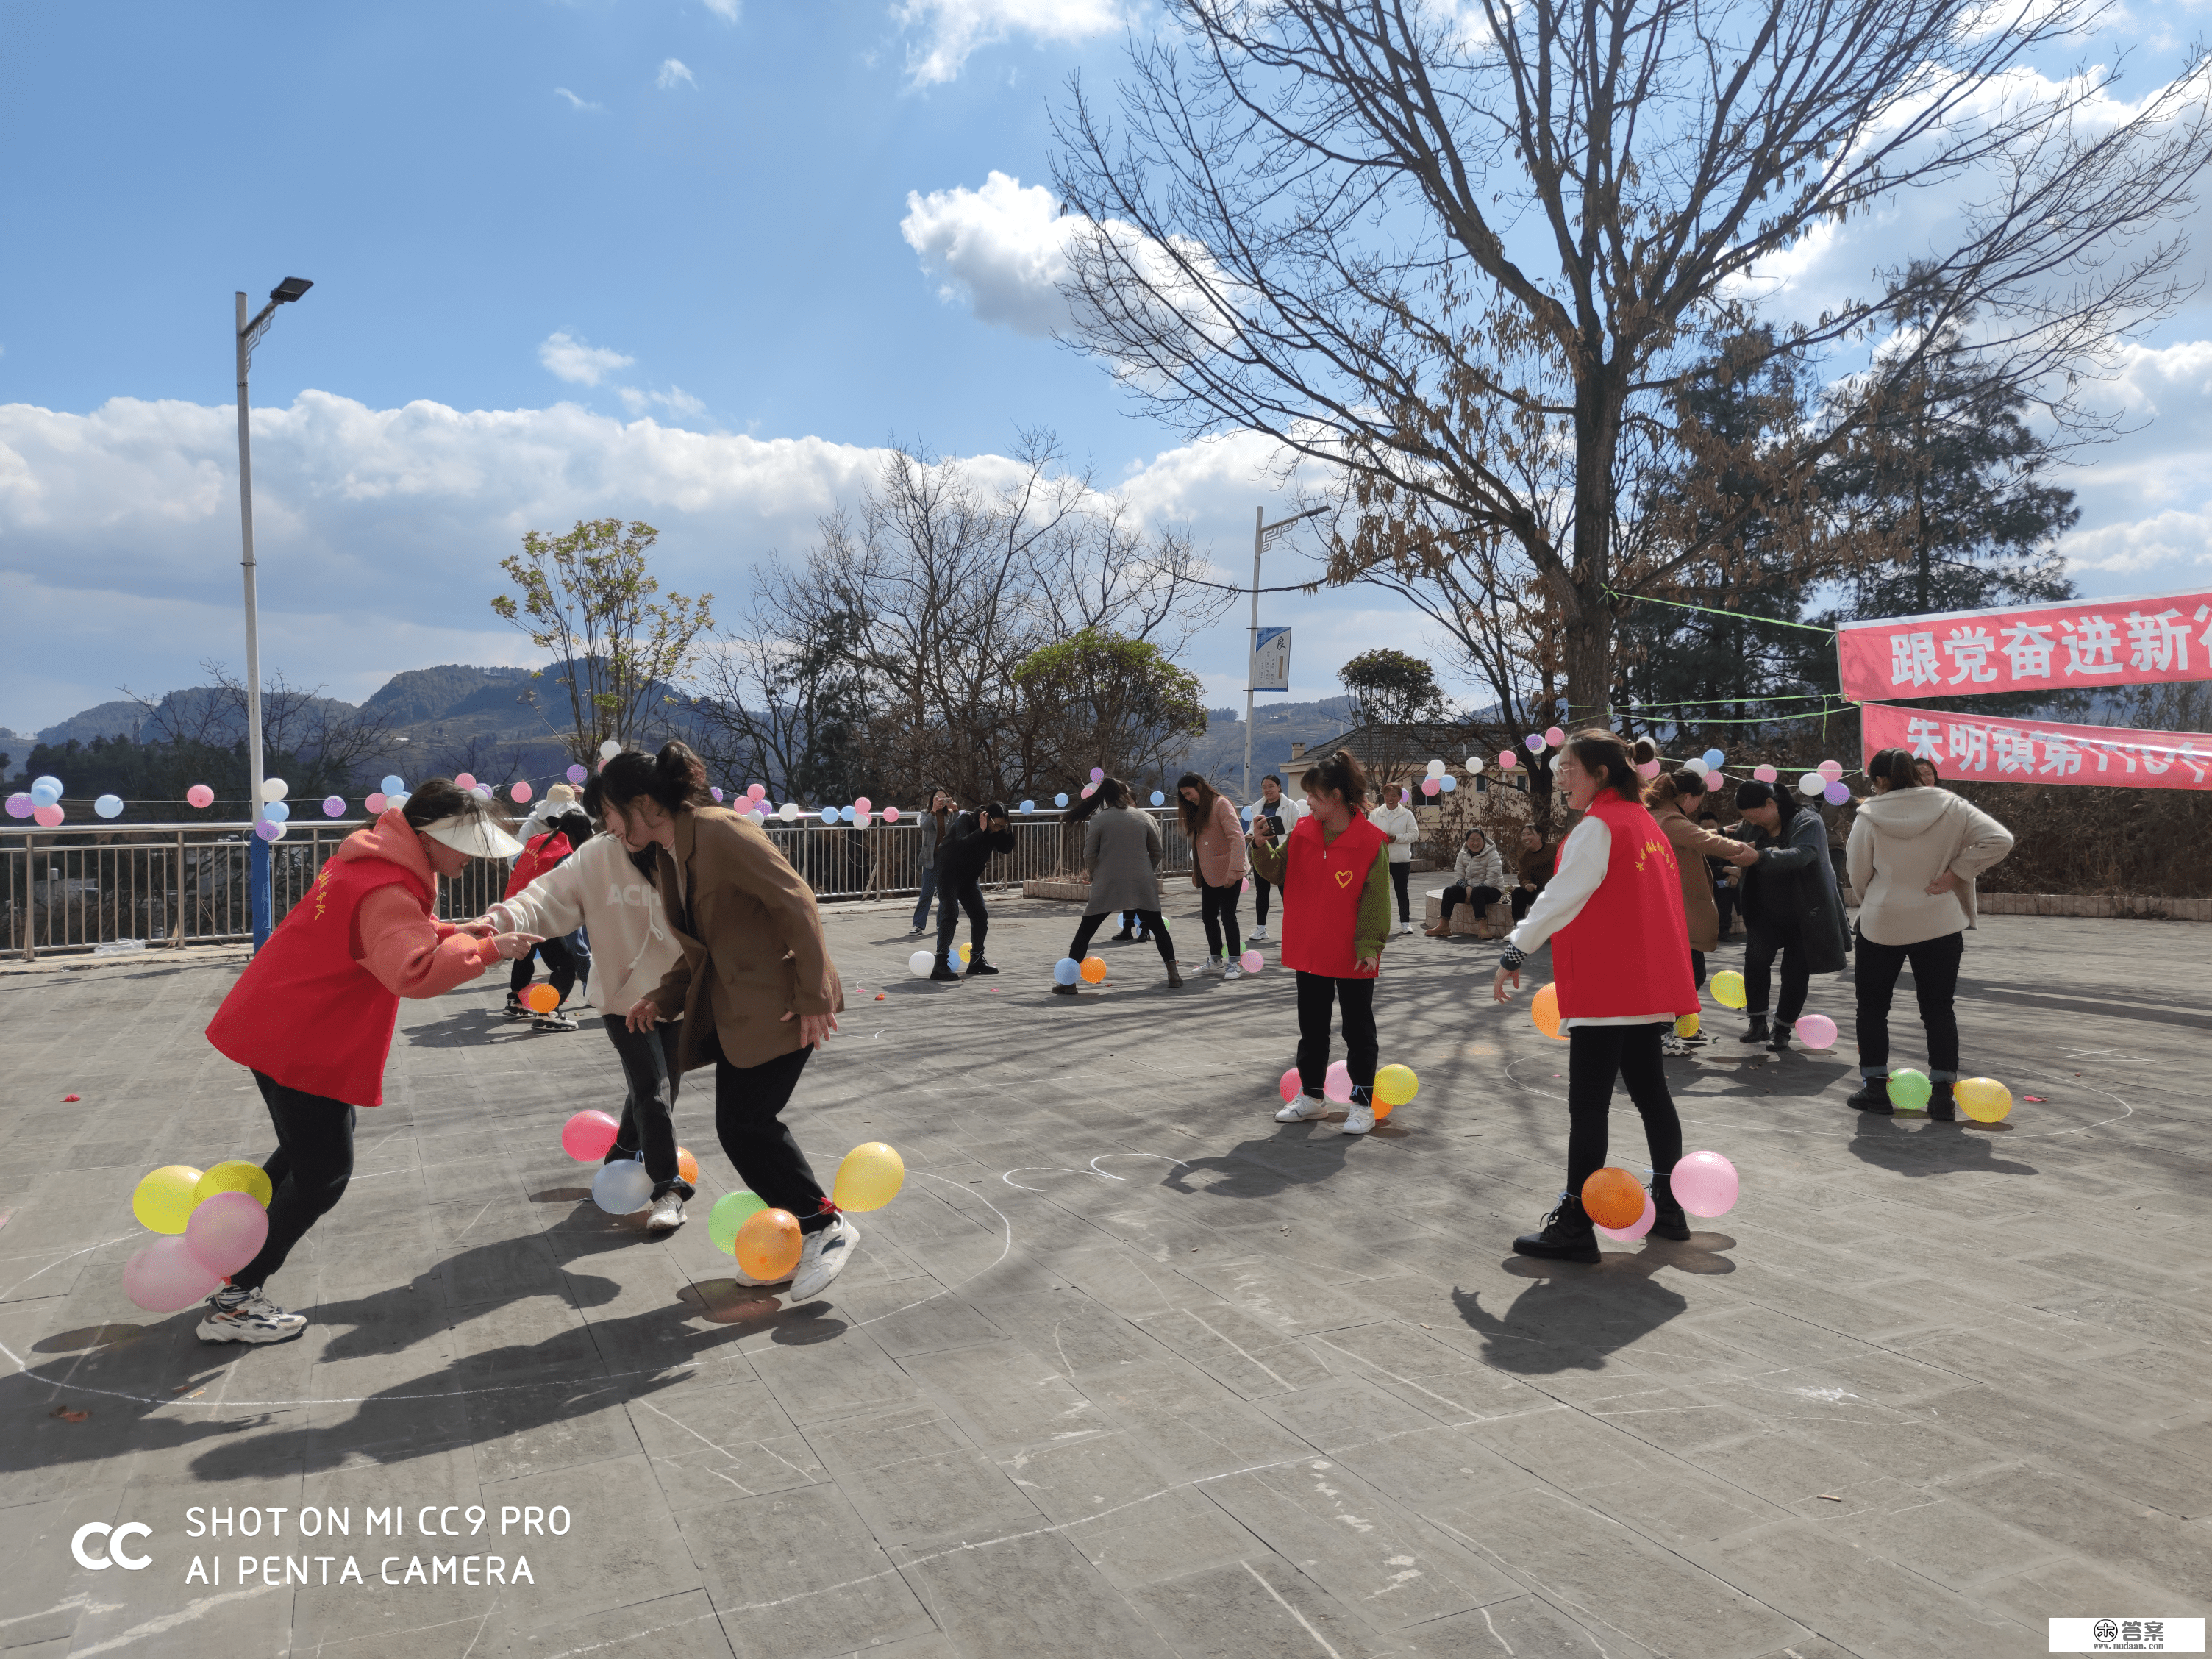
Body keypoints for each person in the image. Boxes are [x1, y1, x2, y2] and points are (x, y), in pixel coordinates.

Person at [199, 782, 540, 1341]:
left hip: (282, 1025)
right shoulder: (387, 887)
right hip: (300, 1038)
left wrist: (459, 931)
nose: (470, 858)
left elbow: (399, 933)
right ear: (430, 838)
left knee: (304, 1153)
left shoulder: (372, 863)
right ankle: (235, 1299)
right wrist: (486, 949)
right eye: (465, 846)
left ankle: (228, 1248)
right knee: (322, 1173)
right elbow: (413, 971)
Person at [606, 741, 858, 1302]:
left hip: (785, 1000)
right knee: (740, 1125)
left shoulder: (721, 831)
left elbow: (796, 901)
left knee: (748, 1123)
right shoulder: (673, 852)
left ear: (644, 804)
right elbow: (705, 943)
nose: (608, 826)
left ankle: (824, 1226)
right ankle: (798, 1240)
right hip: (745, 1007)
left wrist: (815, 995)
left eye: (610, 812)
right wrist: (664, 996)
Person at [1491, 733, 1700, 1262]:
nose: (1561, 778)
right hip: (1644, 987)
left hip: (1609, 988)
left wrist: (1516, 949)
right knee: (1652, 1095)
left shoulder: (1600, 827)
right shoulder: (1645, 823)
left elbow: (1561, 895)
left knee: (1588, 1106)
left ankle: (1576, 1222)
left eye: (1570, 769)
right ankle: (1670, 1207)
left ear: (1601, 774)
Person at [482, 780, 691, 1230]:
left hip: (678, 994)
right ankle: (669, 1190)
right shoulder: (598, 854)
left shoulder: (686, 849)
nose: (606, 827)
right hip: (621, 997)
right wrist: (496, 922)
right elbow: (546, 895)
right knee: (652, 1089)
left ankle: (619, 1153)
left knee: (660, 1087)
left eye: (610, 814)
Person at [1844, 747, 2013, 1117]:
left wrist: (1873, 899)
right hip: (1939, 921)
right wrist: (1957, 872)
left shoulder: (1869, 814)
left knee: (1872, 1009)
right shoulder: (1952, 805)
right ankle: (1942, 1096)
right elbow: (2001, 840)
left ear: (1878, 780)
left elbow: (1857, 871)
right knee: (1939, 1010)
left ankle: (1875, 1088)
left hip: (1882, 922)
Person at [1245, 750, 1393, 1136]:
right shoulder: (1303, 833)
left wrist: (1369, 945)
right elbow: (1276, 870)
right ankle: (1311, 1098)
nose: (1307, 802)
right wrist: (1259, 846)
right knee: (1312, 1027)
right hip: (1308, 947)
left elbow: (1376, 900)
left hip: (1352, 954)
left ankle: (1362, 1104)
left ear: (1337, 797)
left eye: (1314, 796)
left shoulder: (1370, 842)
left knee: (1358, 1031)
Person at [1731, 778, 1850, 1051]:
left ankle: (1782, 1029)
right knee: (1755, 962)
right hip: (1764, 912)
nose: (1753, 823)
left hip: (1803, 911)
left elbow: (1805, 853)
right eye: (1747, 819)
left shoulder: (1806, 820)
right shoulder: (1753, 825)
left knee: (1795, 972)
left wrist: (1760, 857)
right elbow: (1735, 841)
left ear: (1771, 804)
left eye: (1755, 816)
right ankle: (1757, 1022)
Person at [1646, 771, 1759, 1054]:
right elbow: (1704, 842)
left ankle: (1681, 1026)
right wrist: (1746, 851)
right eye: (1699, 798)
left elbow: (1695, 836)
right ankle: (1659, 1033)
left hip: (1668, 910)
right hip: (1677, 912)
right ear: (1688, 797)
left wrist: (1721, 832)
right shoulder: (1671, 820)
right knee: (1688, 976)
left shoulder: (1660, 816)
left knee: (1685, 973)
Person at [1053, 777, 1182, 992]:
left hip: (1108, 881)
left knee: (1085, 931)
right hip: (1141, 881)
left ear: (1104, 798)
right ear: (1125, 794)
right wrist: (1144, 870)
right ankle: (1173, 974)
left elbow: (1089, 855)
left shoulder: (1099, 820)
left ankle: (1069, 982)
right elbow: (1157, 852)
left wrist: (1097, 875)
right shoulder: (1146, 817)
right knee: (1158, 928)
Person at [502, 807, 593, 1032]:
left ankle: (517, 1001)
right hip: (539, 913)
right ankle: (548, 1013)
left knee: (525, 954)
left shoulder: (539, 840)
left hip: (517, 908)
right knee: (564, 965)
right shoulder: (565, 852)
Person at [930, 800, 1016, 981]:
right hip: (948, 872)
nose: (998, 829)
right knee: (950, 914)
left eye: (1003, 826)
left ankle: (976, 960)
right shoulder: (966, 820)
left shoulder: (997, 829)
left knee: (980, 916)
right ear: (986, 817)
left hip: (968, 877)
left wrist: (1008, 830)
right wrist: (982, 830)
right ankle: (940, 964)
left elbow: (1005, 848)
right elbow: (962, 845)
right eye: (997, 825)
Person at [1178, 772, 1249, 979]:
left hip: (1228, 871)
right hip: (1209, 873)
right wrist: (1197, 872)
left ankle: (1234, 962)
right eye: (1184, 796)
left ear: (1199, 786)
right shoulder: (1198, 808)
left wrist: (1235, 870)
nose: (1188, 798)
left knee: (1228, 917)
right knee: (1208, 916)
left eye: (1189, 793)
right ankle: (1216, 959)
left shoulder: (1221, 804)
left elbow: (1237, 837)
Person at [1427, 828, 1506, 937]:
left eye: (1478, 840)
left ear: (1484, 841)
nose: (1475, 843)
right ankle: (1443, 926)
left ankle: (1483, 929)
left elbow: (1492, 881)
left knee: (1478, 892)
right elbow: (1458, 876)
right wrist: (1467, 888)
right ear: (1467, 841)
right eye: (1472, 840)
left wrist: (1472, 892)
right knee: (1449, 891)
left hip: (1492, 890)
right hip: (1470, 889)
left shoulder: (1493, 854)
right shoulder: (1463, 853)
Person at [1371, 782, 1421, 935]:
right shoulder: (1375, 814)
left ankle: (1405, 923)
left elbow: (1414, 834)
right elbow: (1368, 833)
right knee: (1378, 893)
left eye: (1394, 796)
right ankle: (1377, 924)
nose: (1390, 799)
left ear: (1400, 797)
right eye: (1387, 796)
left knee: (1401, 892)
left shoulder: (1407, 814)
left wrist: (1396, 838)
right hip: (1381, 859)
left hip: (1401, 859)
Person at [1248, 774, 1289, 943]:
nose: (1267, 790)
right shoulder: (1258, 807)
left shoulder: (1290, 806)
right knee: (1261, 891)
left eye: (1271, 786)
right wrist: (1250, 835)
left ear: (1279, 787)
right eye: (1264, 787)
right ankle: (1261, 928)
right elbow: (1253, 829)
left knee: (1286, 893)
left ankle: (1291, 927)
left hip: (1282, 855)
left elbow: (1298, 827)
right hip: (1263, 854)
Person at [909, 788, 955, 938]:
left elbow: (960, 829)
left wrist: (956, 810)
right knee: (926, 893)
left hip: (948, 859)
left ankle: (941, 923)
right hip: (931, 858)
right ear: (932, 800)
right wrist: (933, 811)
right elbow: (924, 827)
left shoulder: (952, 814)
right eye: (937, 799)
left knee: (945, 894)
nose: (941, 801)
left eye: (944, 799)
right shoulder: (926, 813)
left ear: (948, 800)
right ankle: (918, 925)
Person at [1702, 811, 1741, 939]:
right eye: (1705, 828)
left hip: (1721, 883)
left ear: (1718, 825)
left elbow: (1739, 860)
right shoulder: (1698, 843)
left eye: (1711, 826)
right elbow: (1702, 869)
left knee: (1726, 887)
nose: (1709, 830)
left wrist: (1734, 874)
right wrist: (1725, 869)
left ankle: (1725, 929)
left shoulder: (1728, 840)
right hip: (1704, 883)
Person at [1511, 824, 1552, 921]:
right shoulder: (1523, 857)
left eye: (1529, 834)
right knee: (1518, 893)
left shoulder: (1553, 848)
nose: (1526, 838)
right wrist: (1527, 885)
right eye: (1523, 835)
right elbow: (1523, 876)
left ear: (1540, 835)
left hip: (1556, 890)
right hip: (1538, 891)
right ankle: (1518, 928)